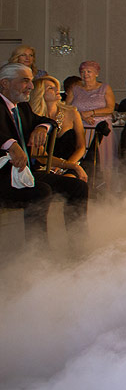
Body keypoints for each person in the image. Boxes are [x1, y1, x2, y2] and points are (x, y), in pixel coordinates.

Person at [0, 63, 89, 250]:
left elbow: (47, 121)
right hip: (3, 176)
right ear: (5, 84)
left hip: (24, 173)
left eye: (31, 81)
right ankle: (37, 251)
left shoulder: (22, 108)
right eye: (25, 81)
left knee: (77, 187)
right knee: (41, 191)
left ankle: (78, 244)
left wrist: (42, 127)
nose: (31, 87)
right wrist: (9, 144)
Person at [30, 75, 87, 180]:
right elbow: (40, 156)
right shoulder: (34, 117)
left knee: (70, 180)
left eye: (56, 87)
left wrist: (69, 165)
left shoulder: (72, 112)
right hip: (45, 165)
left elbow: (81, 147)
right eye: (51, 88)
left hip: (73, 161)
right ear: (39, 93)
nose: (57, 90)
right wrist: (61, 165)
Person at [67, 60, 116, 177]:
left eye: (89, 71)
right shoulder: (75, 88)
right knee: (82, 158)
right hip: (81, 128)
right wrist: (80, 115)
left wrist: (91, 113)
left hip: (101, 128)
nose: (86, 74)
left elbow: (110, 108)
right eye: (83, 72)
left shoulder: (105, 88)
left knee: (103, 162)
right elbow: (66, 107)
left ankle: (105, 189)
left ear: (96, 74)